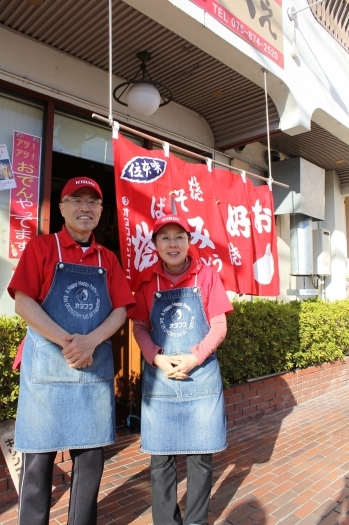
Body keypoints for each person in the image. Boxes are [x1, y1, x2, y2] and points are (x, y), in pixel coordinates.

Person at [8, 176, 135, 525]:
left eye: (93, 202)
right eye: (76, 200)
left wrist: (90, 341)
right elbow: (24, 303)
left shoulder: (107, 258)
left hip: (90, 369)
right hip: (48, 368)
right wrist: (69, 342)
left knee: (90, 460)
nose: (85, 208)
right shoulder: (41, 248)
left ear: (100, 211)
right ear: (62, 208)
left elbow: (121, 310)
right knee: (38, 464)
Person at [128, 214, 233, 525]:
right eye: (165, 238)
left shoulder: (207, 275)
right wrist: (156, 358)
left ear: (189, 242)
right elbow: (139, 327)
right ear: (156, 244)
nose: (172, 244)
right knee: (161, 458)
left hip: (199, 376)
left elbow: (219, 325)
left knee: (201, 457)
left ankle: (197, 520)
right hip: (161, 379)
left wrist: (195, 357)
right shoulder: (147, 280)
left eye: (179, 237)